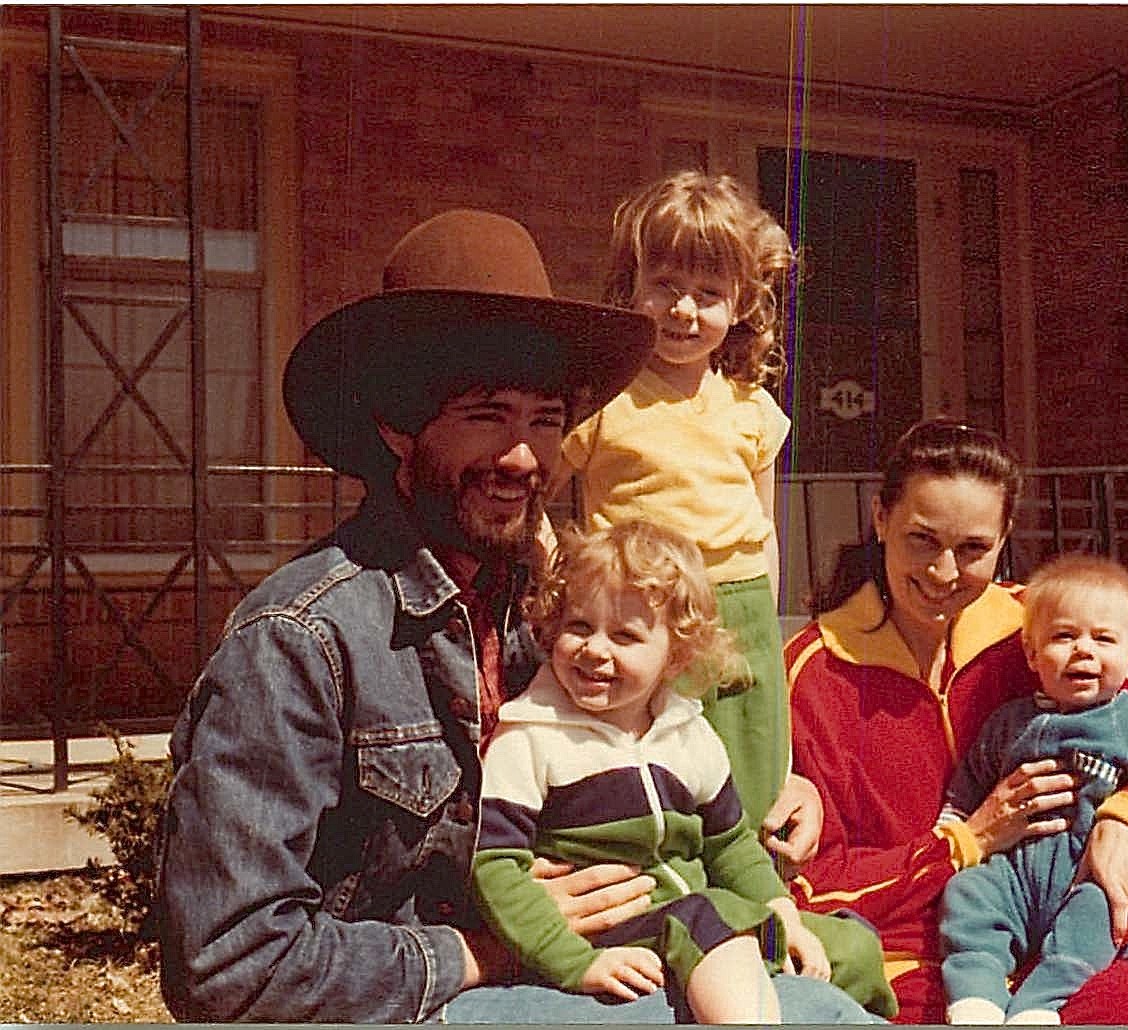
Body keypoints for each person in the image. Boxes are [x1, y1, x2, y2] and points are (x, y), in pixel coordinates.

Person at [156, 208, 876, 1024]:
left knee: (838, 979)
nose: (523, 457)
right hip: (418, 1005)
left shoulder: (541, 607)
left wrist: (786, 782)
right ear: (398, 426)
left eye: (544, 421)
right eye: (485, 415)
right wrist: (488, 948)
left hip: (597, 958)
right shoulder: (300, 639)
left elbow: (652, 745)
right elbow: (229, 966)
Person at [783, 418, 1128, 1025]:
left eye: (972, 549)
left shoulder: (1042, 630)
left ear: (1004, 539)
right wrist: (965, 841)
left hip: (1060, 949)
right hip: (909, 964)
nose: (944, 572)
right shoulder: (812, 673)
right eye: (922, 540)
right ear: (880, 518)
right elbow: (816, 887)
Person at [472, 520, 834, 1023]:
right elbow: (494, 867)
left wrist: (782, 909)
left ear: (675, 655)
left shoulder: (687, 733)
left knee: (848, 943)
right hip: (607, 930)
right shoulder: (532, 734)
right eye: (578, 626)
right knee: (707, 918)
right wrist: (575, 961)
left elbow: (729, 843)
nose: (596, 649)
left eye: (625, 635)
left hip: (688, 916)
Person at [558, 170, 798, 840]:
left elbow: (764, 530)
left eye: (709, 294)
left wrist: (766, 631)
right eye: (665, 285)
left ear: (740, 305)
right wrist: (575, 574)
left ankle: (750, 892)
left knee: (745, 768)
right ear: (630, 287)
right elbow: (540, 500)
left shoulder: (750, 408)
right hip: (642, 610)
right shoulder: (604, 400)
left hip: (740, 607)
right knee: (652, 764)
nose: (684, 310)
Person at [939, 552, 1128, 1024]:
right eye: (1064, 636)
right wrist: (950, 834)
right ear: (1031, 654)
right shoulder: (1008, 724)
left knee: (1099, 916)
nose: (1083, 650)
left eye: (1102, 639)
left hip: (1094, 880)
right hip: (1016, 877)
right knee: (968, 894)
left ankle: (1038, 1007)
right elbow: (967, 789)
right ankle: (977, 999)